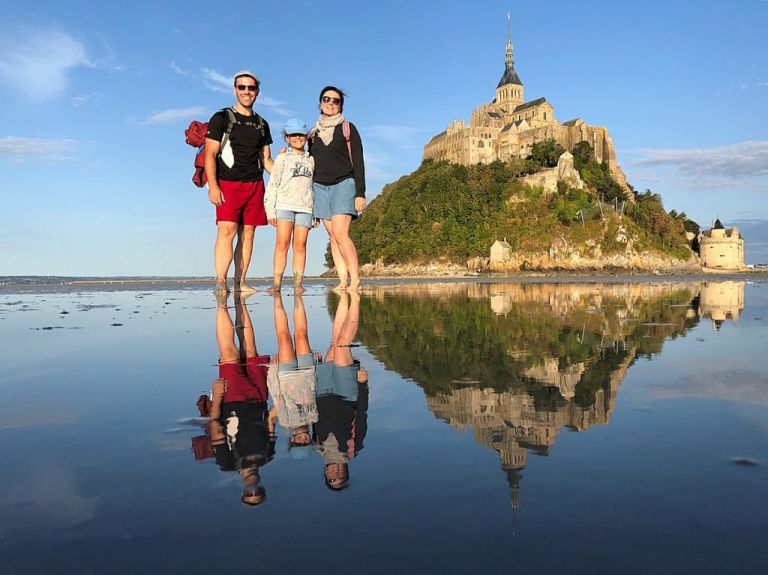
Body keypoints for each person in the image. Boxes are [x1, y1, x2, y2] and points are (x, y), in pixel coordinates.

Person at [205, 70, 274, 295]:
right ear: (235, 89)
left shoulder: (262, 124)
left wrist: (287, 174)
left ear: (257, 92)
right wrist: (213, 186)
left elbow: (266, 160)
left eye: (251, 88)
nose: (246, 92)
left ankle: (240, 282)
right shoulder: (221, 118)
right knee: (227, 231)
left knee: (248, 233)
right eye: (242, 87)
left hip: (255, 185)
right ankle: (221, 282)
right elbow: (210, 154)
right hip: (228, 183)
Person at [207, 292, 275, 506]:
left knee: (229, 352)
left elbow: (215, 427)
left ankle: (221, 303)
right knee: (251, 348)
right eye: (258, 493)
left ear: (242, 491)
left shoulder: (227, 462)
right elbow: (270, 423)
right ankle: (241, 298)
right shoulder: (267, 456)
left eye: (249, 494)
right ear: (263, 487)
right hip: (259, 396)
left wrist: (217, 396)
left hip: (232, 399)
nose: (253, 489)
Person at [309, 86, 366, 291]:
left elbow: (358, 162)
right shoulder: (313, 134)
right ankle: (343, 281)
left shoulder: (348, 129)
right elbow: (310, 166)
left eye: (336, 101)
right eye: (327, 99)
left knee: (341, 234)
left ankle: (356, 280)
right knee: (332, 236)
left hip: (344, 183)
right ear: (320, 102)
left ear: (341, 105)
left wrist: (360, 193)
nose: (331, 103)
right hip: (320, 187)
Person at [263, 118, 317, 293]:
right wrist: (270, 210)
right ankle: (277, 284)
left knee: (300, 245)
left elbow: (314, 186)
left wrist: (315, 212)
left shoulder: (311, 160)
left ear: (306, 136)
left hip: (305, 207)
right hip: (284, 205)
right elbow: (273, 184)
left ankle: (298, 284)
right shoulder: (282, 158)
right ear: (287, 137)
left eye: (301, 135)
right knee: (282, 243)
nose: (298, 138)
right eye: (293, 135)